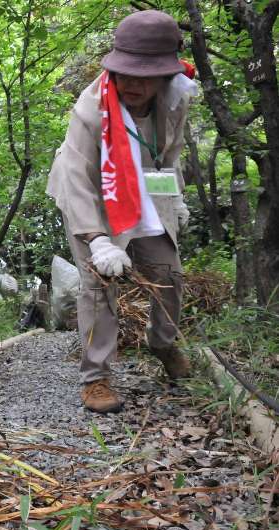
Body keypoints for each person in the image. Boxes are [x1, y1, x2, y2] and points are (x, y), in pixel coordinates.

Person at [46, 10, 198, 413]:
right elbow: (77, 174)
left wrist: (177, 197)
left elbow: (170, 153)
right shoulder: (92, 106)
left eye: (144, 75)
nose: (132, 83)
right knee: (98, 284)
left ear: (165, 74)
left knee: (169, 274)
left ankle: (163, 343)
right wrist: (97, 239)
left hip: (145, 189)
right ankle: (96, 377)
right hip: (93, 194)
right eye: (126, 72)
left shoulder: (177, 97)